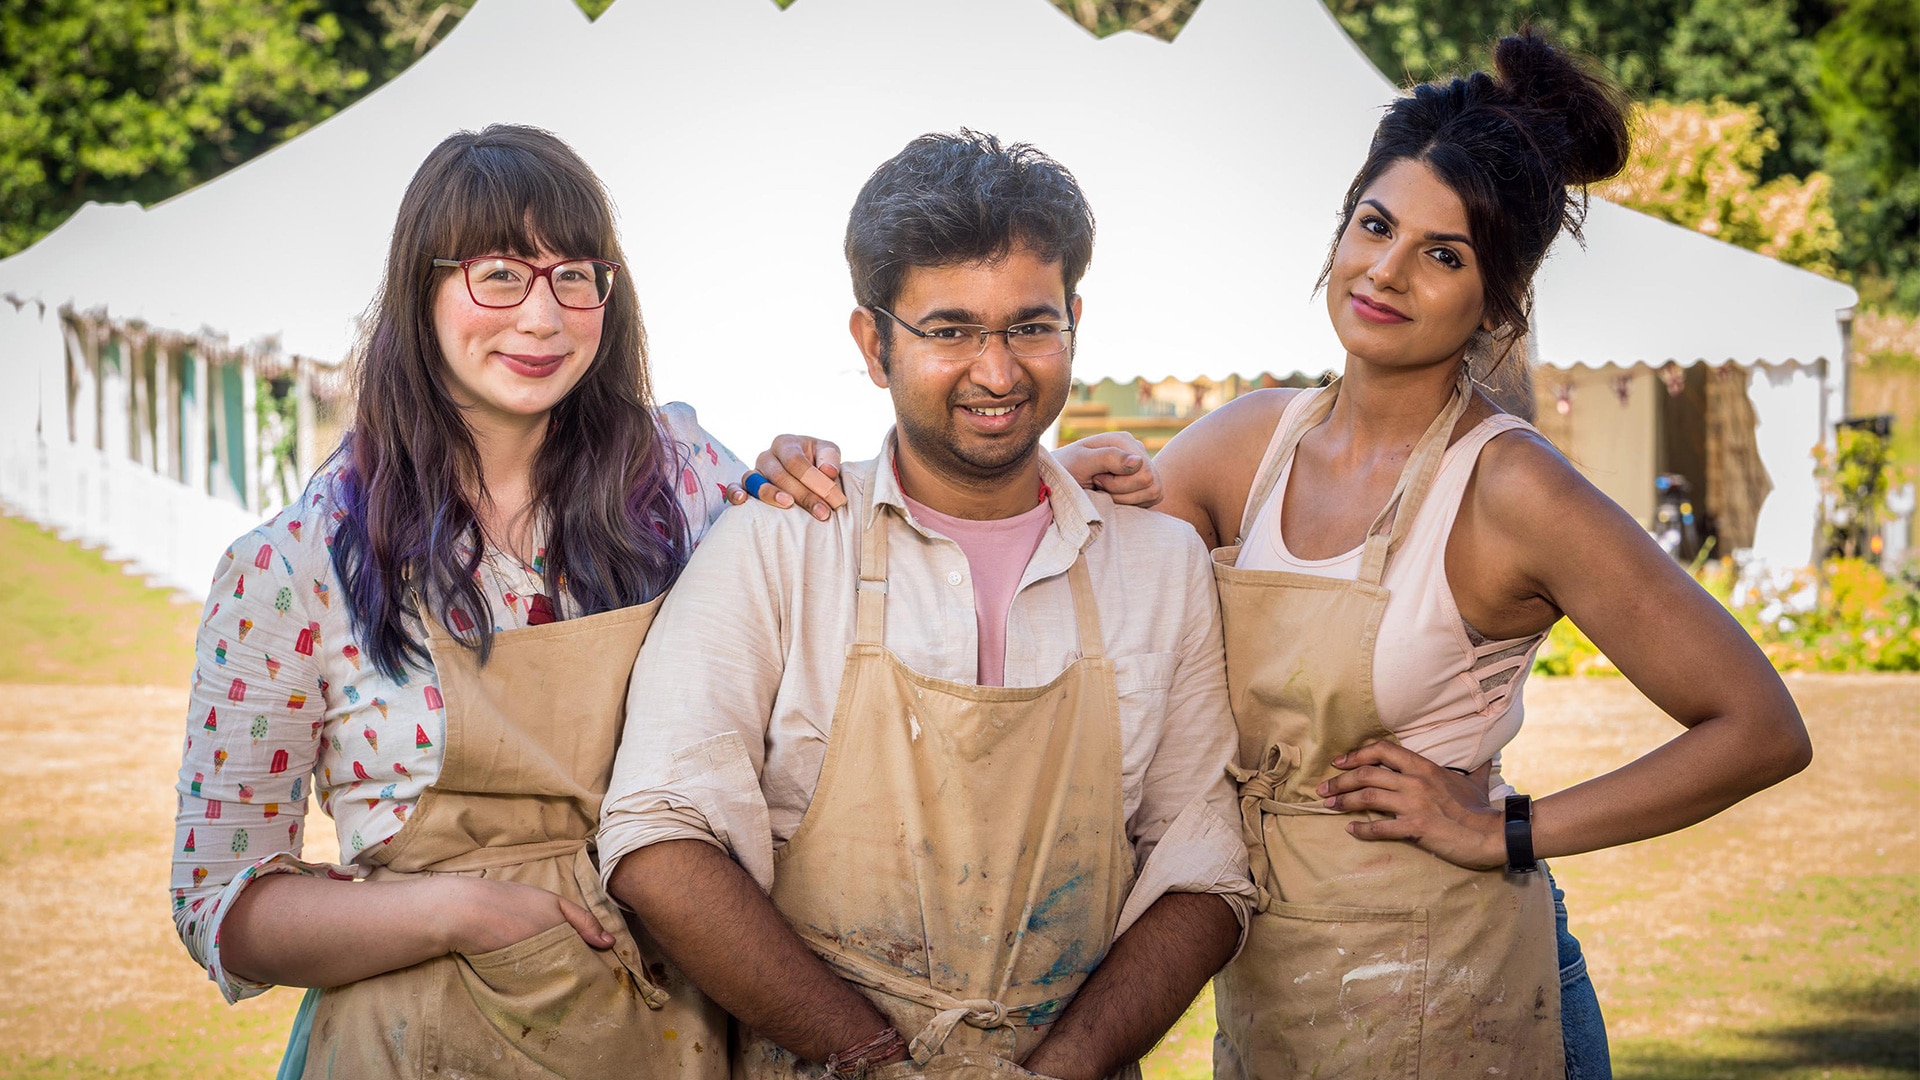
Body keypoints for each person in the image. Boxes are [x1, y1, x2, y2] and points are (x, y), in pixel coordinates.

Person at [167, 123, 1165, 1078]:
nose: (542, 316)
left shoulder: (681, 476)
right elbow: (221, 904)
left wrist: (1032, 479)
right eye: (497, 274)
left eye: (575, 276)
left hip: (672, 1029)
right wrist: (465, 913)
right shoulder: (292, 569)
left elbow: (869, 547)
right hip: (418, 1035)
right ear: (418, 290)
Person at [1146, 31, 1813, 1078]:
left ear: (1498, 298)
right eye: (1374, 225)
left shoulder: (1510, 488)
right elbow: (1066, 549)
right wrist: (811, 474)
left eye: (1443, 255)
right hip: (1279, 992)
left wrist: (1508, 828)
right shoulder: (1248, 445)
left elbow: (1760, 728)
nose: (1385, 270)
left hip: (1462, 995)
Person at [598, 130, 1254, 1080]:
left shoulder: (1158, 567)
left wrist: (1060, 1071)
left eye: (1031, 326)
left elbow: (1202, 872)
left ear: (1075, 318)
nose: (997, 371)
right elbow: (657, 838)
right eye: (949, 331)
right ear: (874, 343)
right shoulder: (781, 545)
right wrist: (876, 1061)